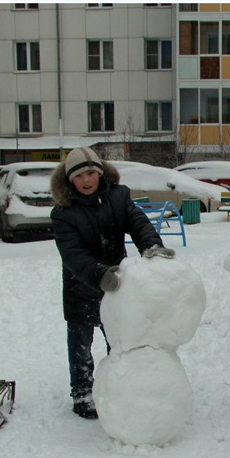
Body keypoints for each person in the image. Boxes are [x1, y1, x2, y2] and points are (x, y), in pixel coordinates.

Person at [50, 147, 175, 419]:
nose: (86, 180)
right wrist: (100, 274)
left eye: (91, 173)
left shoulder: (118, 196)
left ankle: (118, 385)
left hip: (117, 287)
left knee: (118, 340)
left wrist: (152, 246)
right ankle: (82, 392)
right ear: (70, 179)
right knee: (81, 344)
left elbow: (137, 222)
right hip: (81, 287)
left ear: (100, 173)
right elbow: (73, 254)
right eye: (80, 175)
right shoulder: (63, 212)